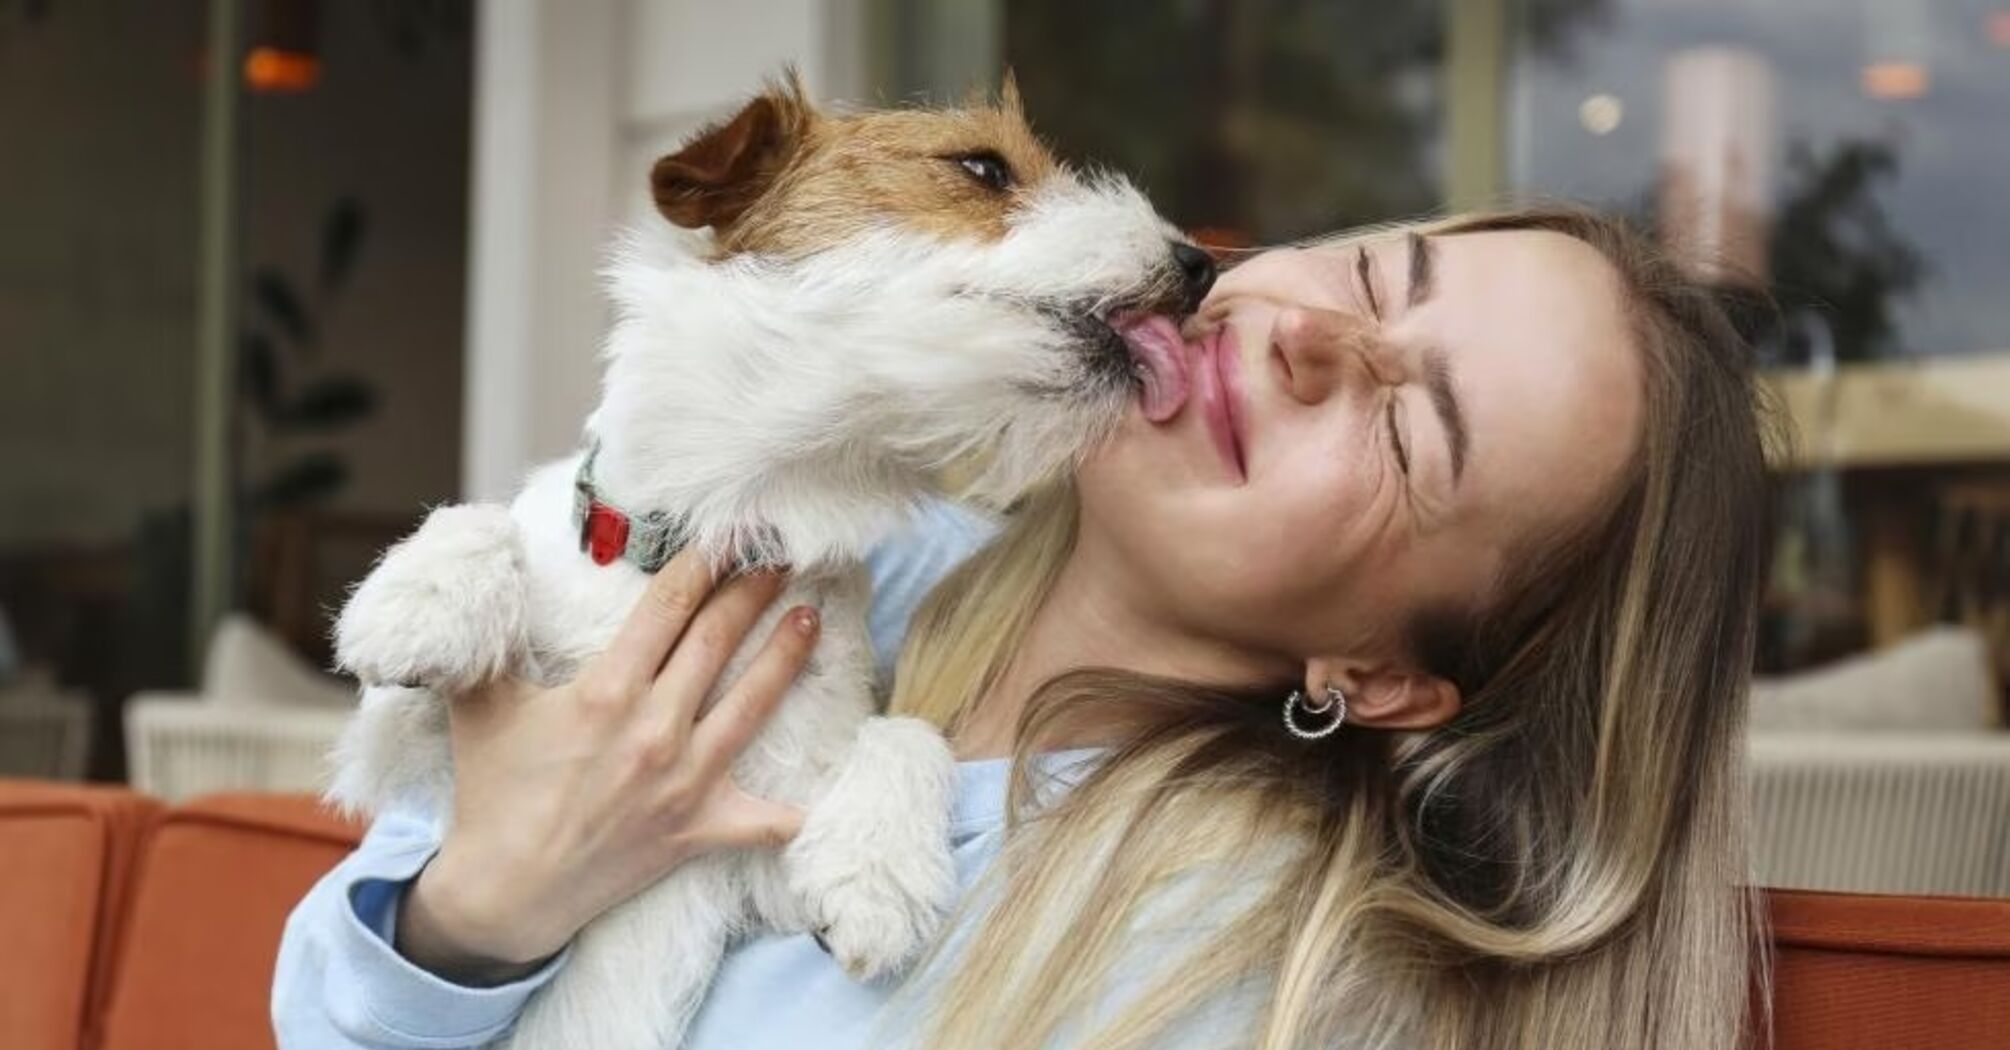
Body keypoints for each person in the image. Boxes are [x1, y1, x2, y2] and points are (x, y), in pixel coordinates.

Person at [274, 205, 1778, 1049]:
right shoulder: (843, 550)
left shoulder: (1226, 971)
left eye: (1410, 435)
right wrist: (483, 906)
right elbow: (317, 1010)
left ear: (1377, 676)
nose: (1317, 334)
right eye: (1379, 269)